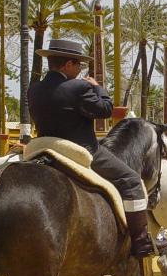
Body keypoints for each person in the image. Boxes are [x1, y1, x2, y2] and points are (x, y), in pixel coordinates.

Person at [28, 38, 156, 258]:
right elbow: (105, 110)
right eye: (78, 65)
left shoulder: (34, 89)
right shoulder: (79, 87)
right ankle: (141, 242)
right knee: (132, 180)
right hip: (80, 148)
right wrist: (98, 88)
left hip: (42, 147)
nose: (80, 70)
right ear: (67, 65)